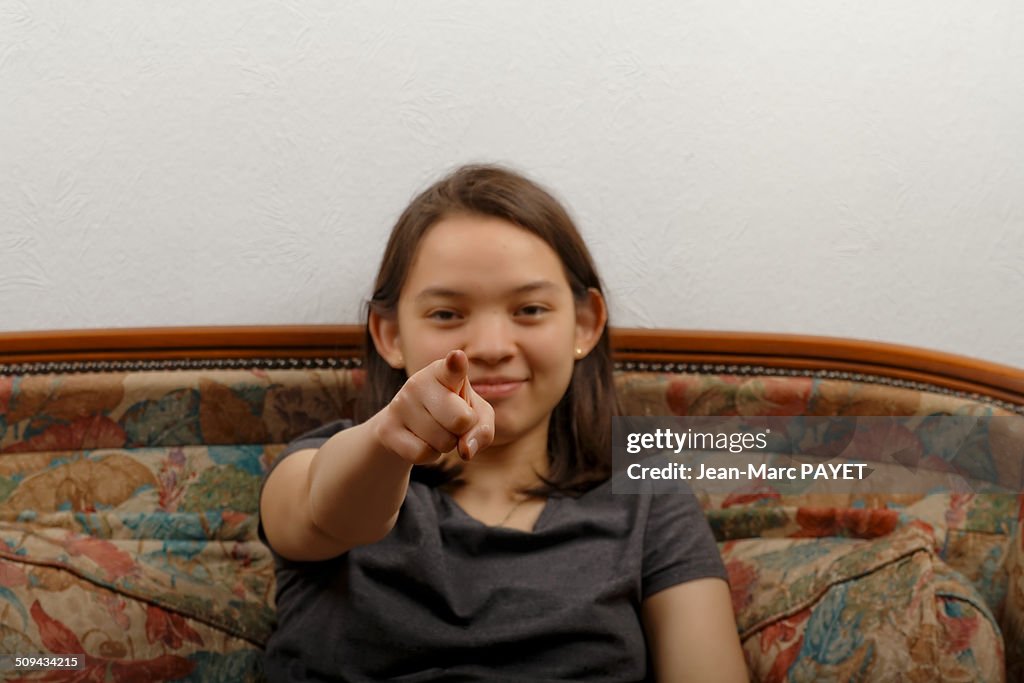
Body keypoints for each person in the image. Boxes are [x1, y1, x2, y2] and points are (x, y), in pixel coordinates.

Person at [258, 164, 748, 682]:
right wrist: (390, 441)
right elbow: (328, 512)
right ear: (389, 335)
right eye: (446, 314)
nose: (490, 348)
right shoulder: (324, 461)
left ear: (585, 324)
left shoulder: (649, 496)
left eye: (530, 309)